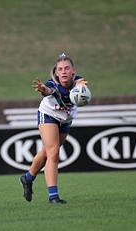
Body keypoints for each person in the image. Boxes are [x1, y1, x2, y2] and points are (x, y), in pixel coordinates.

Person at [20, 53, 87, 204]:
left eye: (67, 68)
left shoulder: (78, 82)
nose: (63, 71)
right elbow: (48, 91)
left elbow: (82, 85)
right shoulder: (52, 84)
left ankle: (27, 178)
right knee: (54, 153)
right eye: (60, 69)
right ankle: (53, 196)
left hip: (66, 120)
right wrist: (43, 89)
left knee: (47, 152)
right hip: (48, 115)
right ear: (56, 72)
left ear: (73, 71)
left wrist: (82, 86)